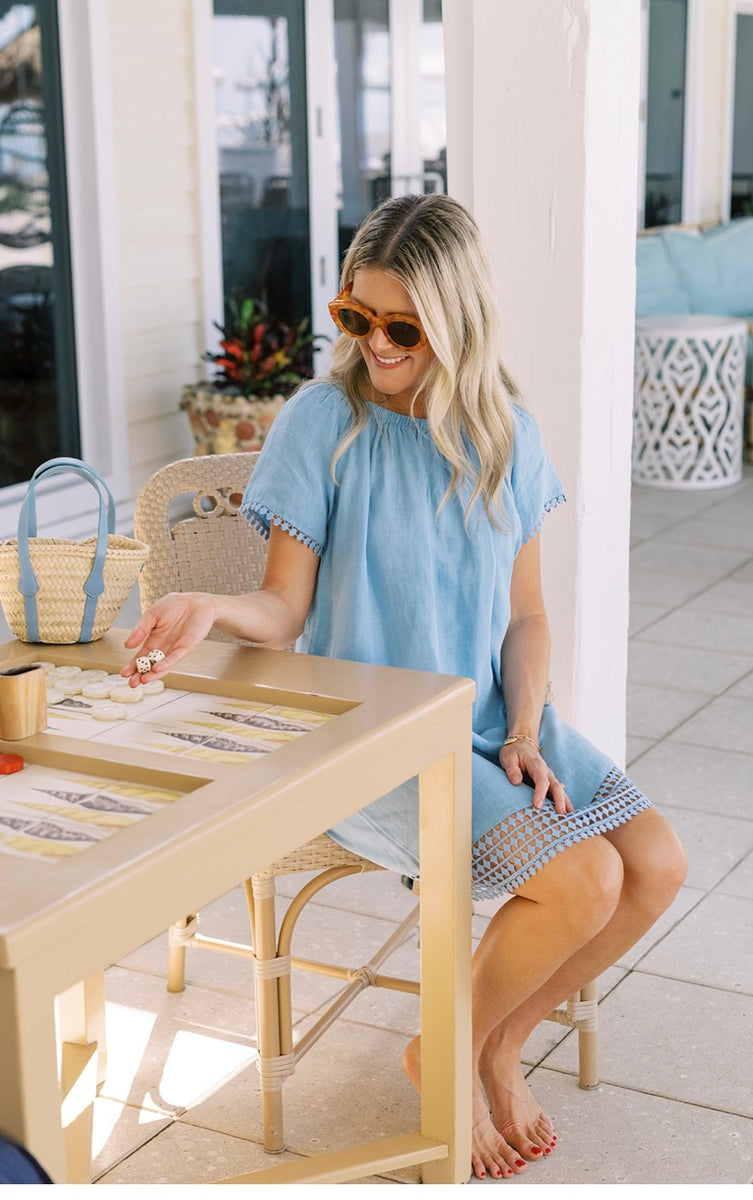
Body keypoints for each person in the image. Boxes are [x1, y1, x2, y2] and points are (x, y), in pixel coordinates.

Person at [123, 194, 687, 1182]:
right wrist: (213, 609)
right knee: (583, 877)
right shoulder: (320, 422)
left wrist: (523, 729)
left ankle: (490, 1045)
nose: (374, 345)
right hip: (373, 737)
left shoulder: (505, 431)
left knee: (655, 866)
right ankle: (448, 1051)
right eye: (356, 317)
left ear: (456, 321)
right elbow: (283, 609)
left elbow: (527, 620)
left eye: (402, 327)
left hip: (490, 718)